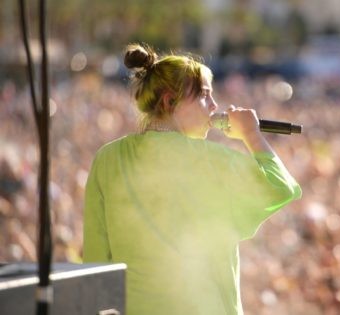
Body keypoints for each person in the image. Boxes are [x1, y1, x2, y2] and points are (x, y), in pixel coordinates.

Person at [83, 43, 301, 315]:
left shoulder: (107, 158)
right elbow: (279, 187)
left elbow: (95, 260)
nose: (214, 106)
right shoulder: (210, 160)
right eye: (204, 96)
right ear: (168, 101)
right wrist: (251, 134)